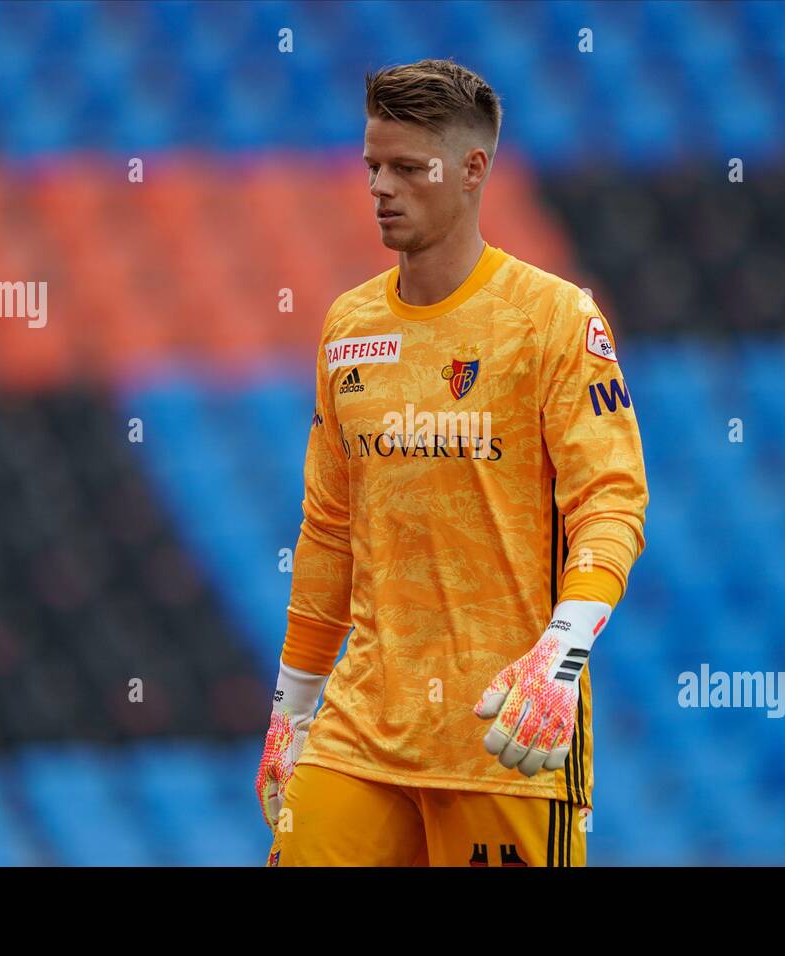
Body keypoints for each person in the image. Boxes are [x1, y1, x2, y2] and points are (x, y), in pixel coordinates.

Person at [255, 58, 648, 867]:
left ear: (473, 169)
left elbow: (609, 504)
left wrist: (561, 657)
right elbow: (328, 532)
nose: (380, 188)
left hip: (503, 732)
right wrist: (291, 708)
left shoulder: (553, 320)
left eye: (407, 167)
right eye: (372, 166)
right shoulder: (349, 326)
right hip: (361, 733)